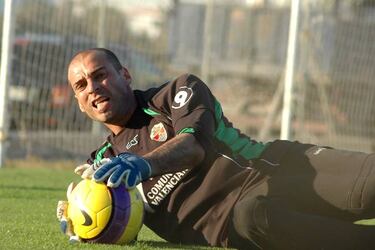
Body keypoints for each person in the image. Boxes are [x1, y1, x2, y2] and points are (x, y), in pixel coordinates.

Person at [57, 48, 375, 249]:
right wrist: (84, 220)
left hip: (279, 169)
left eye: (100, 75)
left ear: (124, 76)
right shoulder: (101, 166)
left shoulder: (176, 92)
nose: (93, 88)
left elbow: (193, 145)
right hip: (234, 223)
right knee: (253, 216)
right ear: (80, 104)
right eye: (81, 85)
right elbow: (122, 225)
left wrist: (143, 165)